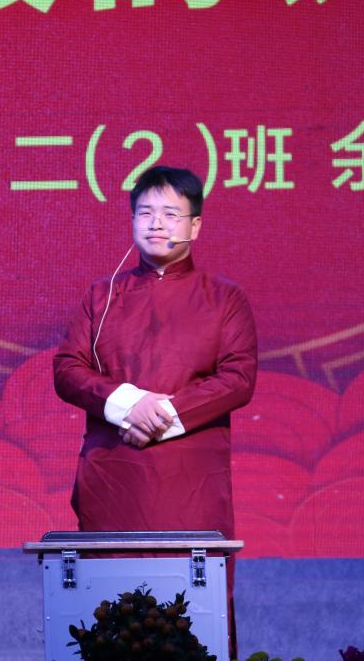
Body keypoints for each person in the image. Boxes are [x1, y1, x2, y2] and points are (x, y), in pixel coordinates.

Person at [52, 165, 257, 653]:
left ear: (195, 225)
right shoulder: (101, 296)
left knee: (194, 624)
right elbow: (67, 369)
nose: (156, 224)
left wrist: (158, 419)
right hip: (114, 483)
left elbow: (238, 378)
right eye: (145, 213)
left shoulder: (225, 298)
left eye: (170, 214)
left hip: (190, 486)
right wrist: (130, 405)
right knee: (109, 623)